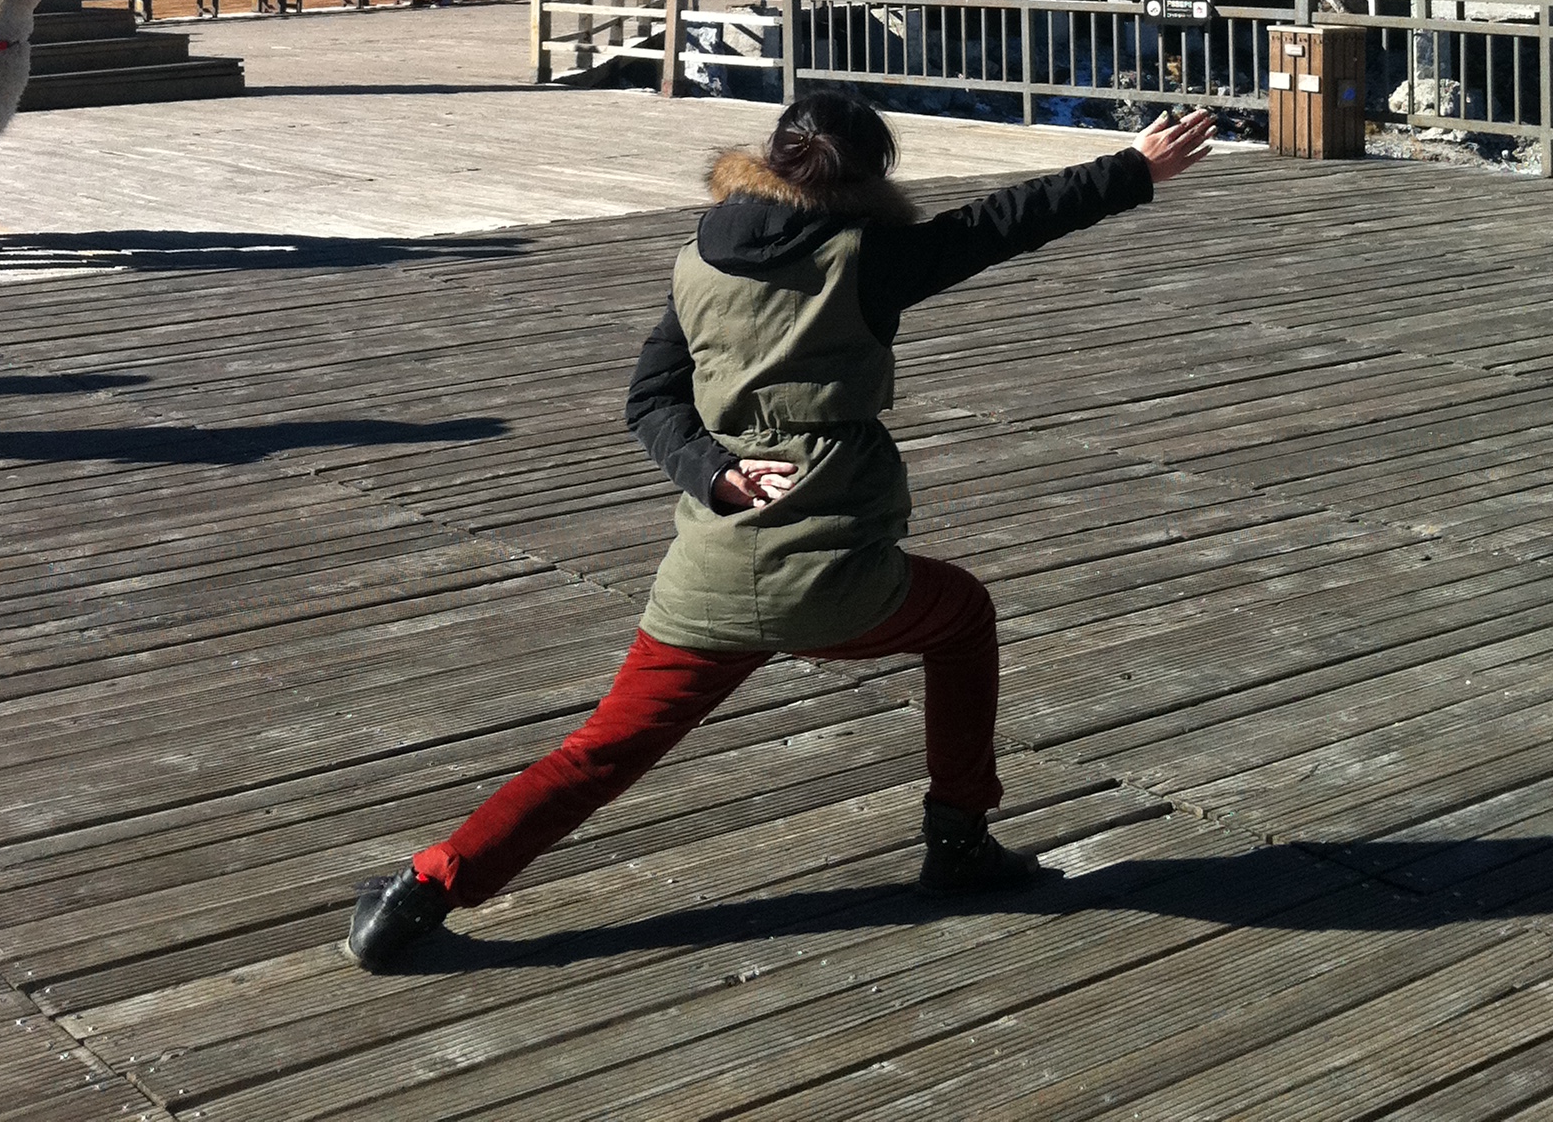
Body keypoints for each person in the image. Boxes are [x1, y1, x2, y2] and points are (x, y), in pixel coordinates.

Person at [345, 88, 1215, 971]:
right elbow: (1001, 223)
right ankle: (958, 844)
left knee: (600, 752)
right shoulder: (869, 257)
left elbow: (650, 401)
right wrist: (1133, 168)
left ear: (772, 157)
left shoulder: (698, 258)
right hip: (841, 576)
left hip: (713, 570)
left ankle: (422, 891)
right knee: (961, 618)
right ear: (872, 174)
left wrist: (714, 473)